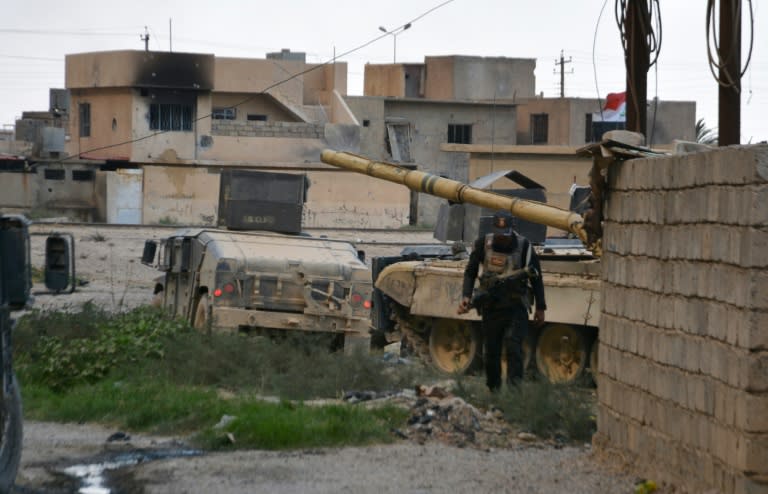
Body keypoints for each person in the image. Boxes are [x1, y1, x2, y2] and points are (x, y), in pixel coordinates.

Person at [457, 210, 546, 392]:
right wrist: (466, 295)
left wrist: (541, 307)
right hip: (491, 307)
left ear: (511, 231)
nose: (501, 239)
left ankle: (514, 393)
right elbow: (470, 271)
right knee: (491, 351)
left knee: (514, 348)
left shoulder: (524, 246)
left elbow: (536, 277)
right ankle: (494, 390)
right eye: (499, 235)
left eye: (504, 236)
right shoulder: (483, 244)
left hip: (515, 307)